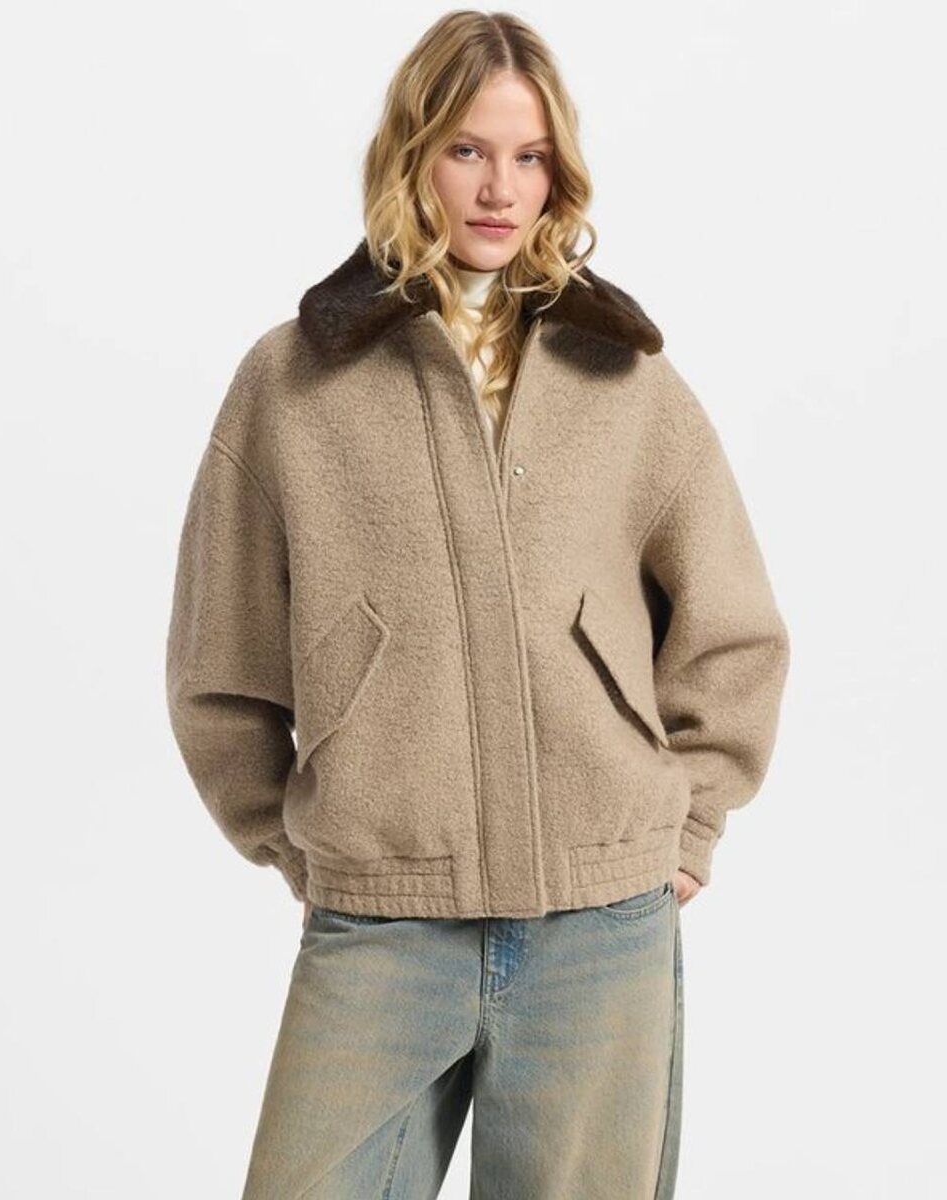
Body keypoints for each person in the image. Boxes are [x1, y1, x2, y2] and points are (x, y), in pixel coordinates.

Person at [165, 10, 790, 1198]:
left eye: (529, 156)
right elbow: (220, 662)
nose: (500, 189)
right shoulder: (292, 381)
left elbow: (734, 628)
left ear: (559, 173)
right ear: (412, 156)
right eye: (467, 150)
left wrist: (690, 823)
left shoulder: (625, 373)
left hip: (600, 924)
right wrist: (306, 846)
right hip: (383, 920)